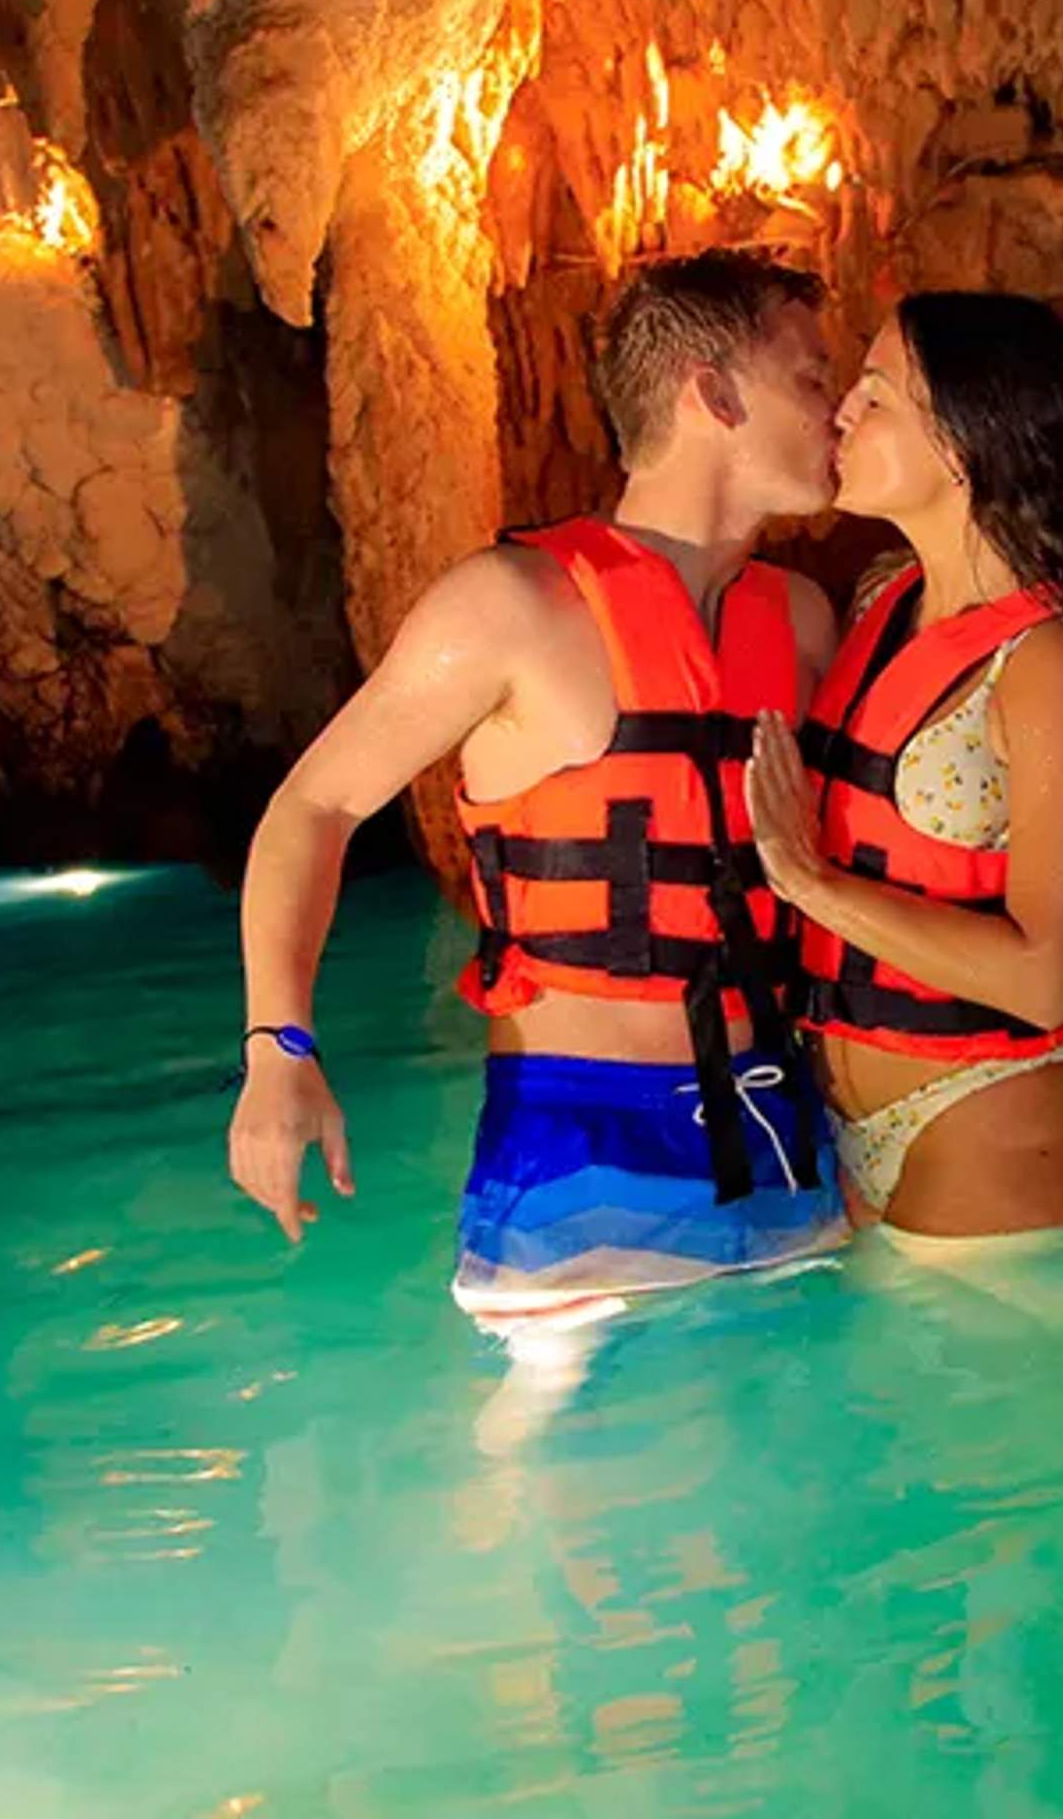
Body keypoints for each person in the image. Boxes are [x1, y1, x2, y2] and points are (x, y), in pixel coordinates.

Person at [227, 251, 851, 1322]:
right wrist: (278, 1048)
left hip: (783, 1133)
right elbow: (313, 808)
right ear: (713, 394)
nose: (837, 411)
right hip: (579, 1144)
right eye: (811, 378)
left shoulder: (799, 621)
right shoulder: (512, 606)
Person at [745, 291, 1063, 1240]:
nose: (841, 414)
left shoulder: (1053, 665)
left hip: (994, 1120)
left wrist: (810, 884)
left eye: (875, 396)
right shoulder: (886, 609)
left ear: (963, 444)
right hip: (844, 1122)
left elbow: (1046, 978)